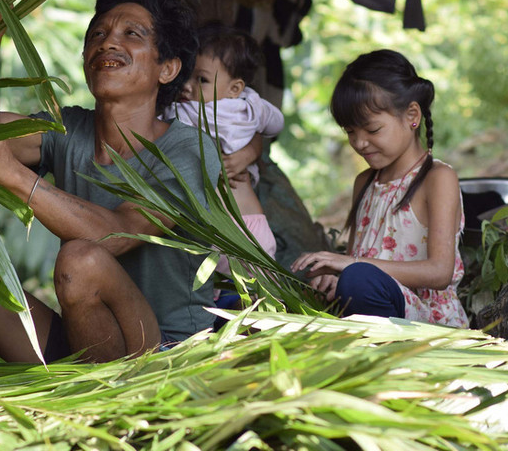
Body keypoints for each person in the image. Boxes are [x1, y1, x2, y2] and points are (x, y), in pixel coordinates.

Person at [0, 0, 222, 363]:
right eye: (97, 34)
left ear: (168, 69)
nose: (108, 41)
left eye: (132, 34)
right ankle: (54, 382)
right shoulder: (68, 128)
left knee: (83, 261)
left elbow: (120, 234)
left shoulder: (189, 150)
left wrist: (13, 174)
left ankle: (101, 404)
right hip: (85, 340)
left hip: (164, 353)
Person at [291, 49, 468, 327]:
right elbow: (354, 261)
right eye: (350, 131)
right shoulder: (364, 182)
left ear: (412, 115)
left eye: (372, 130)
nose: (359, 143)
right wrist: (332, 275)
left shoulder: (437, 178)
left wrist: (350, 266)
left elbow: (439, 272)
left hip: (427, 321)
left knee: (359, 279)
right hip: (370, 301)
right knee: (336, 279)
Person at [162, 23, 283, 279]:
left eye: (201, 80)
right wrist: (252, 139)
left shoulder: (183, 111)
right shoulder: (251, 106)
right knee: (261, 306)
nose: (187, 86)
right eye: (187, 75)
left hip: (220, 232)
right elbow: (276, 124)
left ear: (235, 87)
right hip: (251, 228)